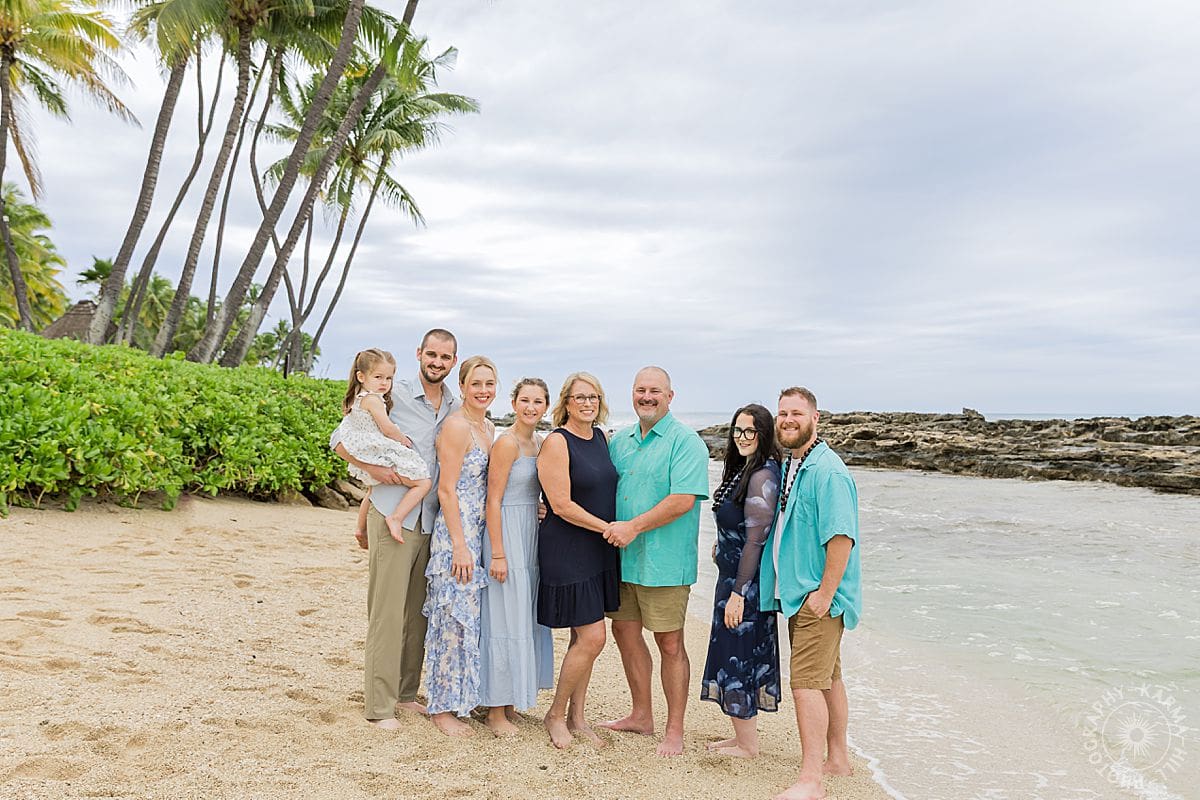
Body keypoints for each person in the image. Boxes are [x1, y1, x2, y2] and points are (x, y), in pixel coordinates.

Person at [331, 328, 459, 730]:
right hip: (394, 514)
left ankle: (404, 694)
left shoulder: (455, 404)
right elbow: (341, 438)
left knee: (416, 615)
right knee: (386, 614)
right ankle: (379, 706)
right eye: (432, 354)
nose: (437, 362)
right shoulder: (390, 392)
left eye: (446, 357)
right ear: (420, 353)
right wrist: (373, 473)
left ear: (453, 361)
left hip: (432, 521)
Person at [601, 366, 711, 757]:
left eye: (655, 391)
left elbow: (683, 499)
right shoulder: (621, 441)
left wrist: (633, 526)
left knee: (669, 642)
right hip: (622, 560)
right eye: (640, 390)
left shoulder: (687, 442)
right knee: (625, 635)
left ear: (670, 396)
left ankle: (675, 728)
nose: (647, 397)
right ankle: (641, 714)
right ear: (632, 394)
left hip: (665, 562)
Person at [759, 387, 861, 800]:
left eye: (796, 413)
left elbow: (841, 538)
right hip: (799, 593)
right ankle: (837, 759)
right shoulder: (795, 463)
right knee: (827, 679)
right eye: (782, 413)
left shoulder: (828, 471)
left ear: (815, 418)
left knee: (804, 684)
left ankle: (810, 780)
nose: (787, 420)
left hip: (818, 598)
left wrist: (824, 593)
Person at [536, 372, 621, 749]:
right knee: (593, 636)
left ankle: (577, 717)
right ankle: (555, 714)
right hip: (568, 546)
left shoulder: (601, 438)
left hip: (597, 548)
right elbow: (560, 505)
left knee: (581, 636)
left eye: (593, 397)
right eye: (579, 397)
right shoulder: (557, 441)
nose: (587, 403)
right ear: (566, 402)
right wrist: (608, 528)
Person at [700, 403, 782, 758]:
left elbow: (756, 540)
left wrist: (738, 593)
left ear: (763, 435)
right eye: (737, 430)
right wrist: (722, 543)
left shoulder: (763, 474)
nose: (742, 437)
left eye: (750, 431)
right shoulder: (744, 470)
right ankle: (740, 737)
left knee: (740, 655)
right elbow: (740, 524)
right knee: (731, 652)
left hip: (744, 586)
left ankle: (748, 746)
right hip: (731, 578)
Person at [422, 355, 498, 737]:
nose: (483, 390)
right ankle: (441, 708)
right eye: (476, 383)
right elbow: (446, 489)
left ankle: (463, 697)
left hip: (479, 532)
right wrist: (460, 545)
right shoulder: (456, 427)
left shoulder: (487, 426)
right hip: (457, 534)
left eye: (489, 383)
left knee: (471, 620)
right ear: (463, 386)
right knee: (451, 618)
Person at [479, 378, 555, 736]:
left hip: (530, 534)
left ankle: (509, 702)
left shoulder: (539, 442)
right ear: (513, 402)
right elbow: (493, 499)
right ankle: (494, 711)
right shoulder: (506, 443)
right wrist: (497, 553)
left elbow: (535, 487)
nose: (531, 407)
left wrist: (540, 507)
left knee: (522, 617)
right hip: (505, 533)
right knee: (502, 618)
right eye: (525, 400)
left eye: (538, 401)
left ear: (546, 406)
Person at [334, 349, 433, 548]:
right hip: (377, 450)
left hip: (366, 450)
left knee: (372, 491)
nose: (384, 383)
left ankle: (360, 529)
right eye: (378, 377)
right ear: (361, 376)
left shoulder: (358, 397)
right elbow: (387, 428)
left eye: (389, 378)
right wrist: (402, 439)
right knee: (423, 483)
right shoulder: (373, 399)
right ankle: (397, 517)